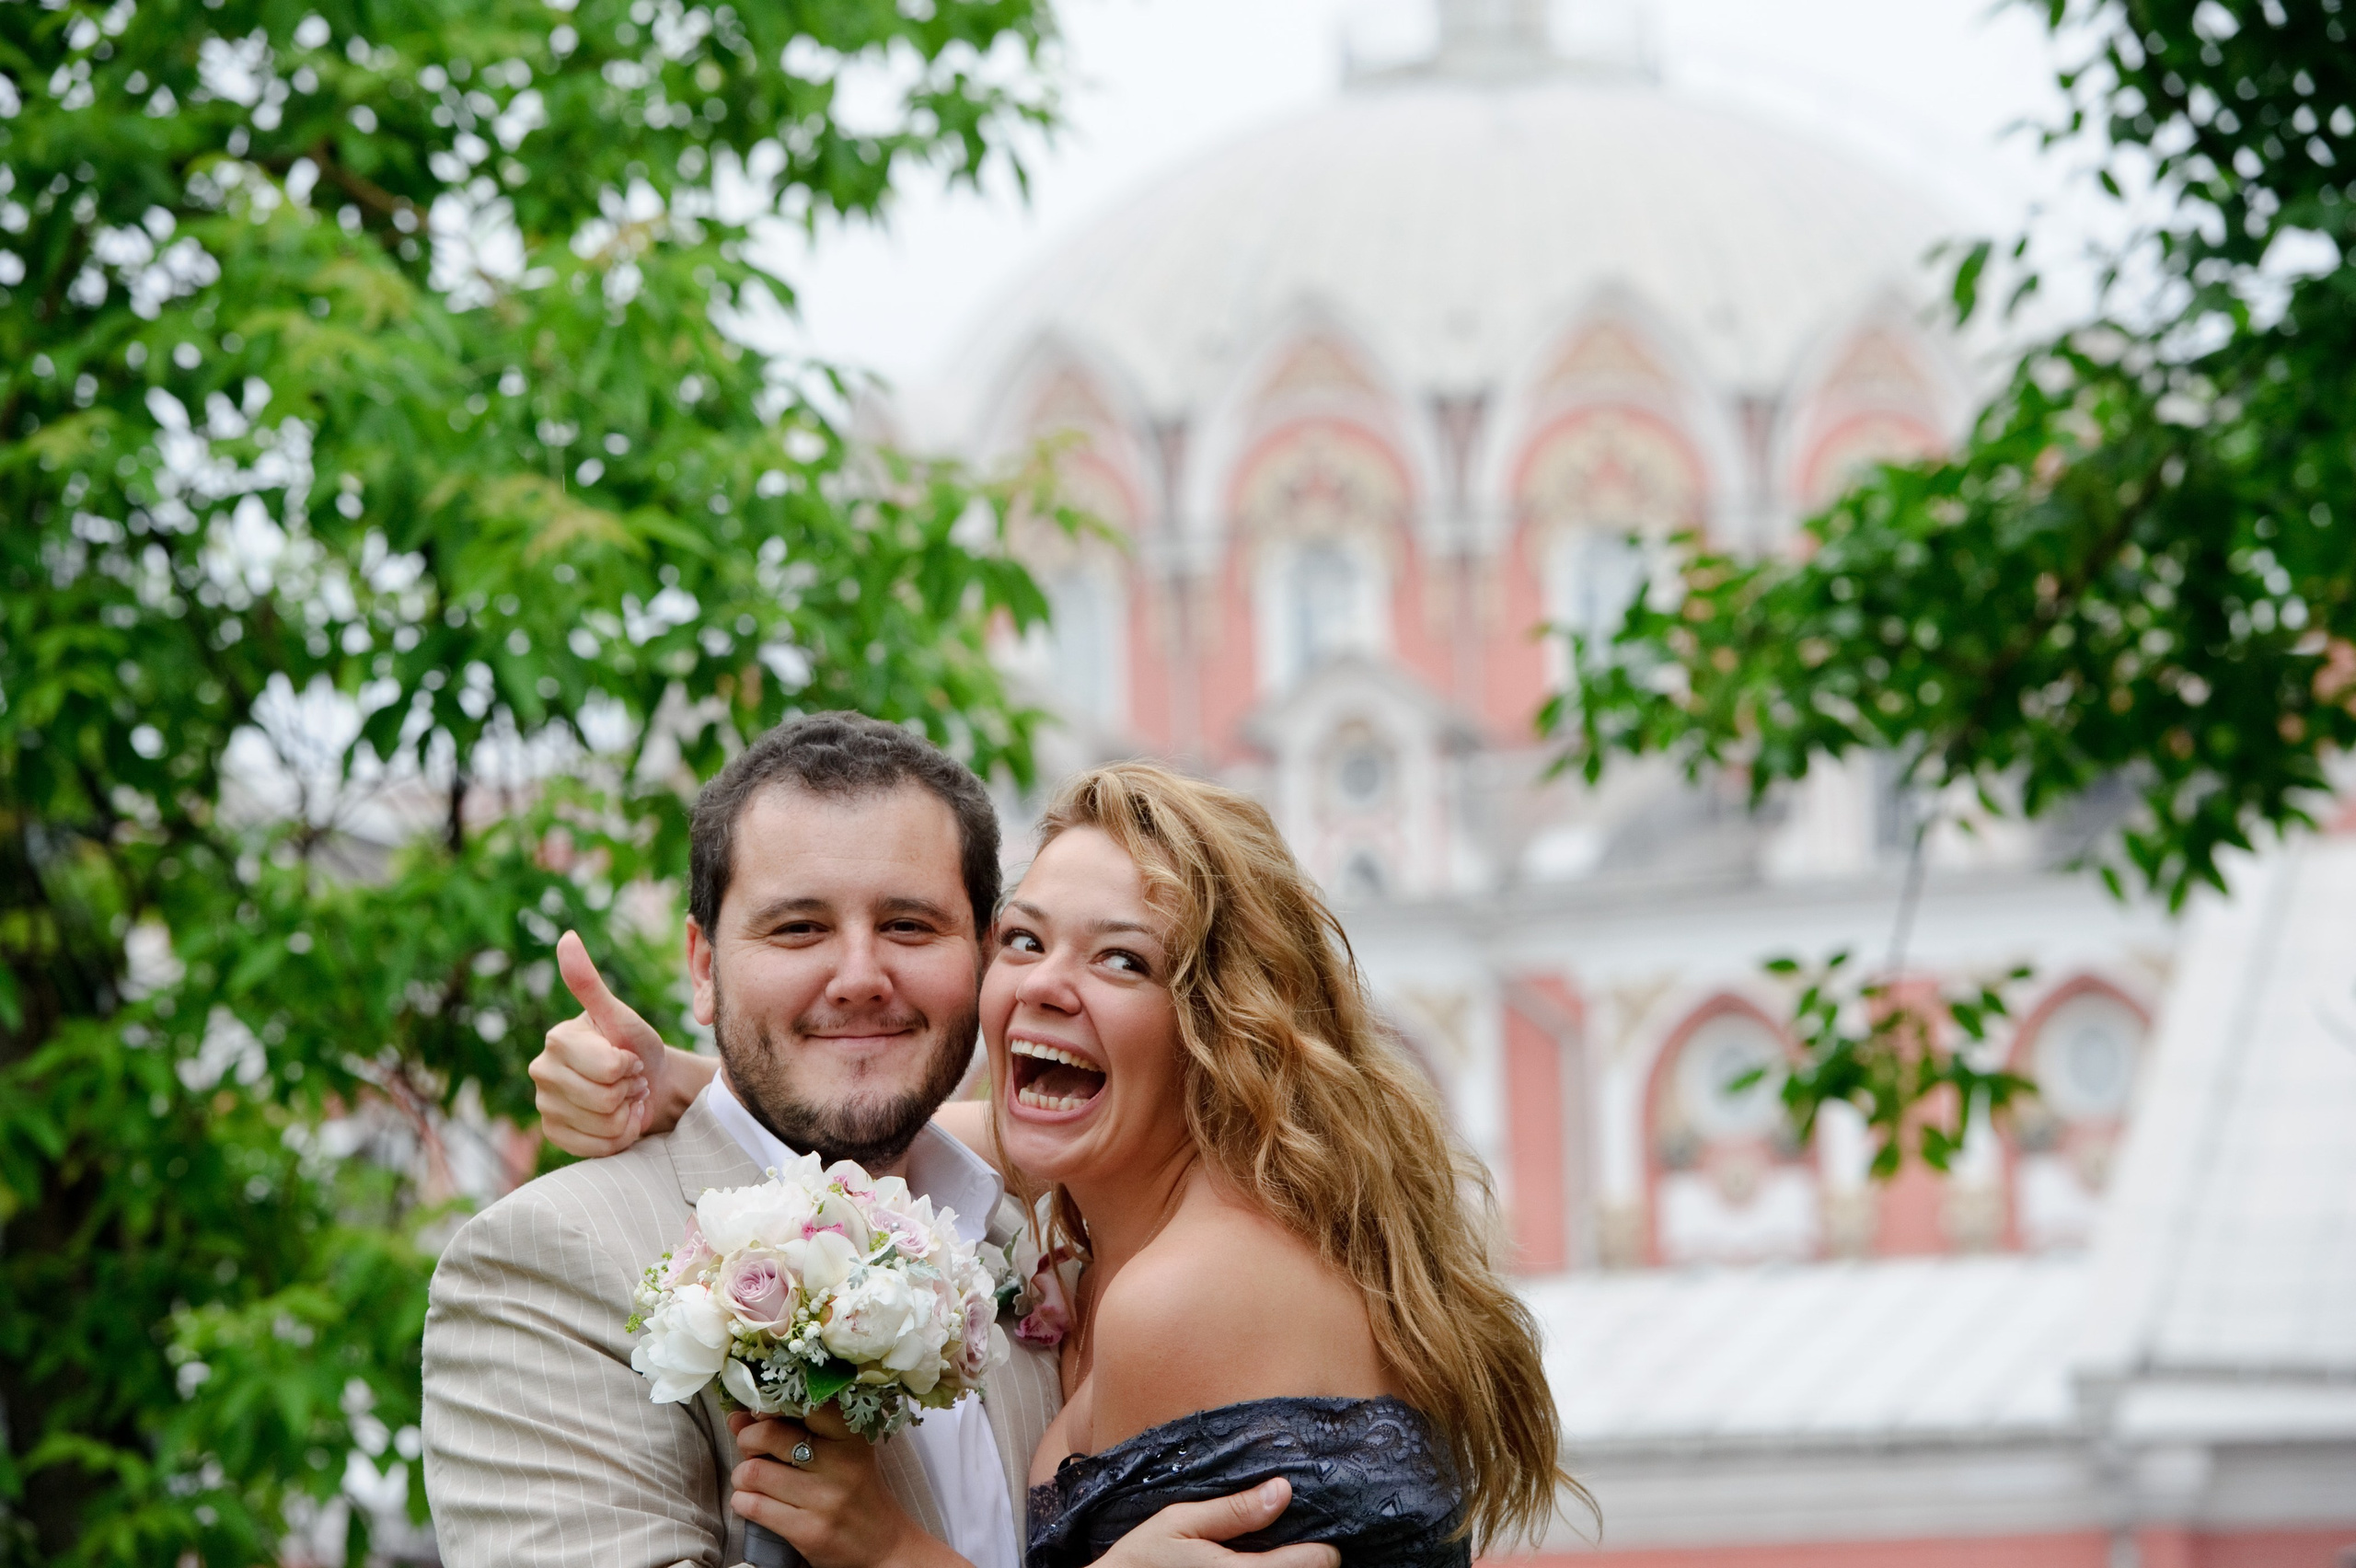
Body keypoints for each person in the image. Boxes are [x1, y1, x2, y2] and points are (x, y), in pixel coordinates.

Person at [535, 754, 1579, 1564]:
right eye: (1025, 942)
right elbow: (937, 1133)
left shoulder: (1192, 1293)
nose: (1044, 986)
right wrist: (680, 1077)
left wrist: (893, 1552)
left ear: (1223, 1030)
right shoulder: (1125, 1180)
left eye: (1122, 959)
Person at [422, 712, 1337, 1568]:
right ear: (703, 971)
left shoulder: (1046, 1225)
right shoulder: (547, 1262)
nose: (860, 977)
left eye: (908, 925)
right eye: (799, 929)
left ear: (981, 957)